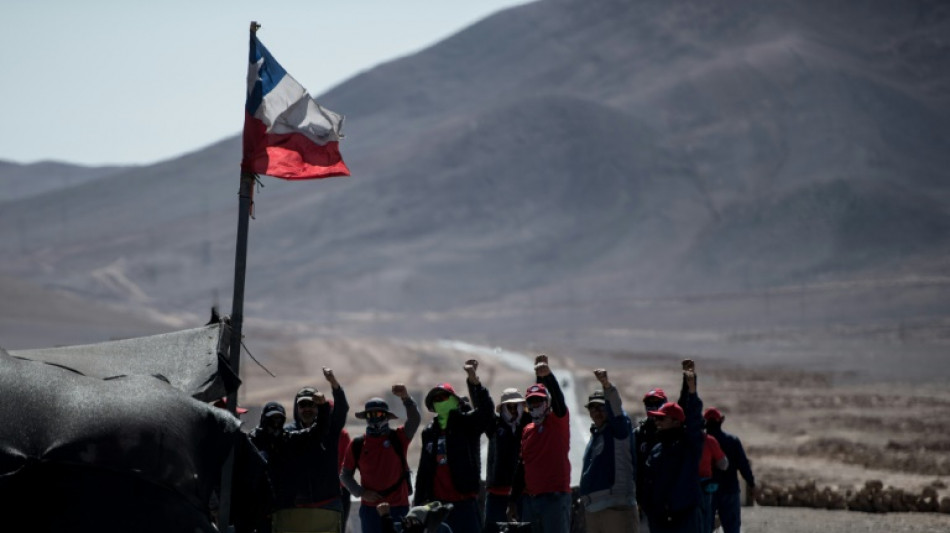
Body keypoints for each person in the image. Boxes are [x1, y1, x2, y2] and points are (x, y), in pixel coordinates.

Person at [414, 360, 493, 533]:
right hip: (437, 508)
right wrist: (417, 505)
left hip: (464, 503)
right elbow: (423, 470)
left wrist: (474, 382)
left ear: (454, 400)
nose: (439, 401)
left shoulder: (467, 424)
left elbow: (486, 413)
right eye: (435, 399)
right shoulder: (429, 432)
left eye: (443, 397)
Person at [340, 385, 422, 533]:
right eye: (370, 415)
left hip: (398, 507)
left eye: (378, 414)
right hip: (371, 510)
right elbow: (345, 475)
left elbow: (415, 420)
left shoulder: (399, 438)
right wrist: (361, 492)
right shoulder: (357, 444)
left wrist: (405, 397)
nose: (374, 418)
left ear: (386, 416)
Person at [279, 368, 351, 533]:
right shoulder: (289, 433)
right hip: (297, 505)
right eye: (303, 405)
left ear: (318, 407)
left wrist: (334, 383)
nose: (307, 409)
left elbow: (342, 410)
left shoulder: (330, 430)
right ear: (297, 408)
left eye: (311, 404)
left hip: (329, 503)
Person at [508, 354, 571, 533]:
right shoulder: (528, 430)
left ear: (547, 403)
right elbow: (522, 465)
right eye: (532, 401)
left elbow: (559, 401)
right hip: (530, 501)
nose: (536, 404)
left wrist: (547, 376)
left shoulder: (557, 421)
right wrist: (513, 500)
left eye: (539, 401)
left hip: (555, 499)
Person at [249, 396, 331, 533]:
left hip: (286, 507)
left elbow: (316, 432)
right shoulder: (252, 441)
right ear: (264, 419)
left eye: (278, 418)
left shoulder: (288, 439)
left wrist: (323, 407)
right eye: (271, 419)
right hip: (259, 509)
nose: (275, 423)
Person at [641, 360, 704, 533]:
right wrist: (650, 509)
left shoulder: (688, 445)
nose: (657, 422)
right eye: (656, 418)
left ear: (676, 422)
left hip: (684, 519)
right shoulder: (656, 450)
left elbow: (693, 421)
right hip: (659, 520)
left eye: (662, 419)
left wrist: (691, 390)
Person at [577, 369, 638, 533]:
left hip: (616, 508)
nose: (597, 412)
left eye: (601, 407)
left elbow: (617, 411)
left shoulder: (619, 431)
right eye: (593, 408)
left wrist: (607, 386)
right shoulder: (596, 436)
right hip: (594, 510)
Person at [484, 388, 531, 533]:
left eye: (516, 406)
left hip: (522, 493)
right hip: (496, 492)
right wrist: (476, 384)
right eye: (509, 406)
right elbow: (484, 407)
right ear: (503, 408)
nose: (513, 410)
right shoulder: (494, 426)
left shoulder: (529, 426)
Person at [704, 407, 755, 533]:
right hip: (729, 490)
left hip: (707, 491)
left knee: (705, 527)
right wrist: (751, 483)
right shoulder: (732, 441)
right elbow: (743, 465)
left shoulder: (701, 442)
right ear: (720, 421)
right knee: (732, 528)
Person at [376, 502, 454, 533]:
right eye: (406, 521)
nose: (408, 525)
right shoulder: (400, 527)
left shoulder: (443, 529)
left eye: (414, 522)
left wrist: (385, 517)